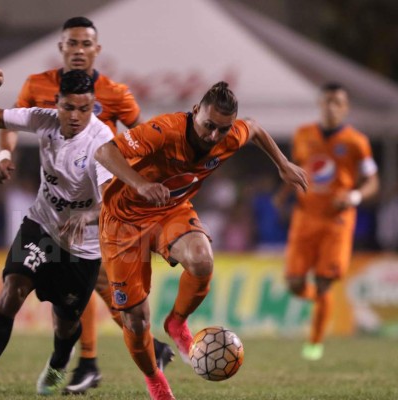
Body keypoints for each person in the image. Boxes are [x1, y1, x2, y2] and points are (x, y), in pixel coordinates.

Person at [94, 81, 308, 399]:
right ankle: (155, 378)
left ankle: (177, 323)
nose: (213, 136)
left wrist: (283, 164)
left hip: (169, 210)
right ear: (196, 112)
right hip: (123, 221)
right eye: (209, 126)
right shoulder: (164, 131)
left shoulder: (229, 136)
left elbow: (255, 128)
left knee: (202, 260)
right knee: (136, 323)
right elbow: (104, 151)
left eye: (222, 129)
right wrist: (139, 184)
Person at [0, 16, 173, 394]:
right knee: (96, 282)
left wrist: (137, 185)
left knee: (96, 281)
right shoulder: (36, 85)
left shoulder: (117, 93)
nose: (78, 50)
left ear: (97, 49)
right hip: (58, 204)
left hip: (103, 202)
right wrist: (4, 154)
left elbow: (144, 139)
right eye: (71, 43)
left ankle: (97, 360)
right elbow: (8, 121)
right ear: (61, 48)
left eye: (85, 44)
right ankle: (118, 354)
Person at [0, 68, 114, 400]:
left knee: (67, 323)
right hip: (41, 226)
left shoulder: (102, 142)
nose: (75, 116)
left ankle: (59, 362)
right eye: (69, 107)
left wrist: (86, 215)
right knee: (11, 292)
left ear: (94, 107)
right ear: (56, 103)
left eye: (84, 109)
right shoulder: (42, 119)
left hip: (81, 247)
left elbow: (112, 205)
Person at [276, 82, 379, 361]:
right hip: (305, 217)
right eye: (327, 101)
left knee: (324, 281)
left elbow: (372, 181)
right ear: (319, 103)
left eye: (337, 102)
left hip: (337, 220)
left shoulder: (357, 142)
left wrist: (355, 196)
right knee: (295, 283)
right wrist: (283, 195)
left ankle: (315, 342)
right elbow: (297, 171)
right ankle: (319, 301)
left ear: (345, 107)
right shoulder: (303, 135)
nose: (331, 106)